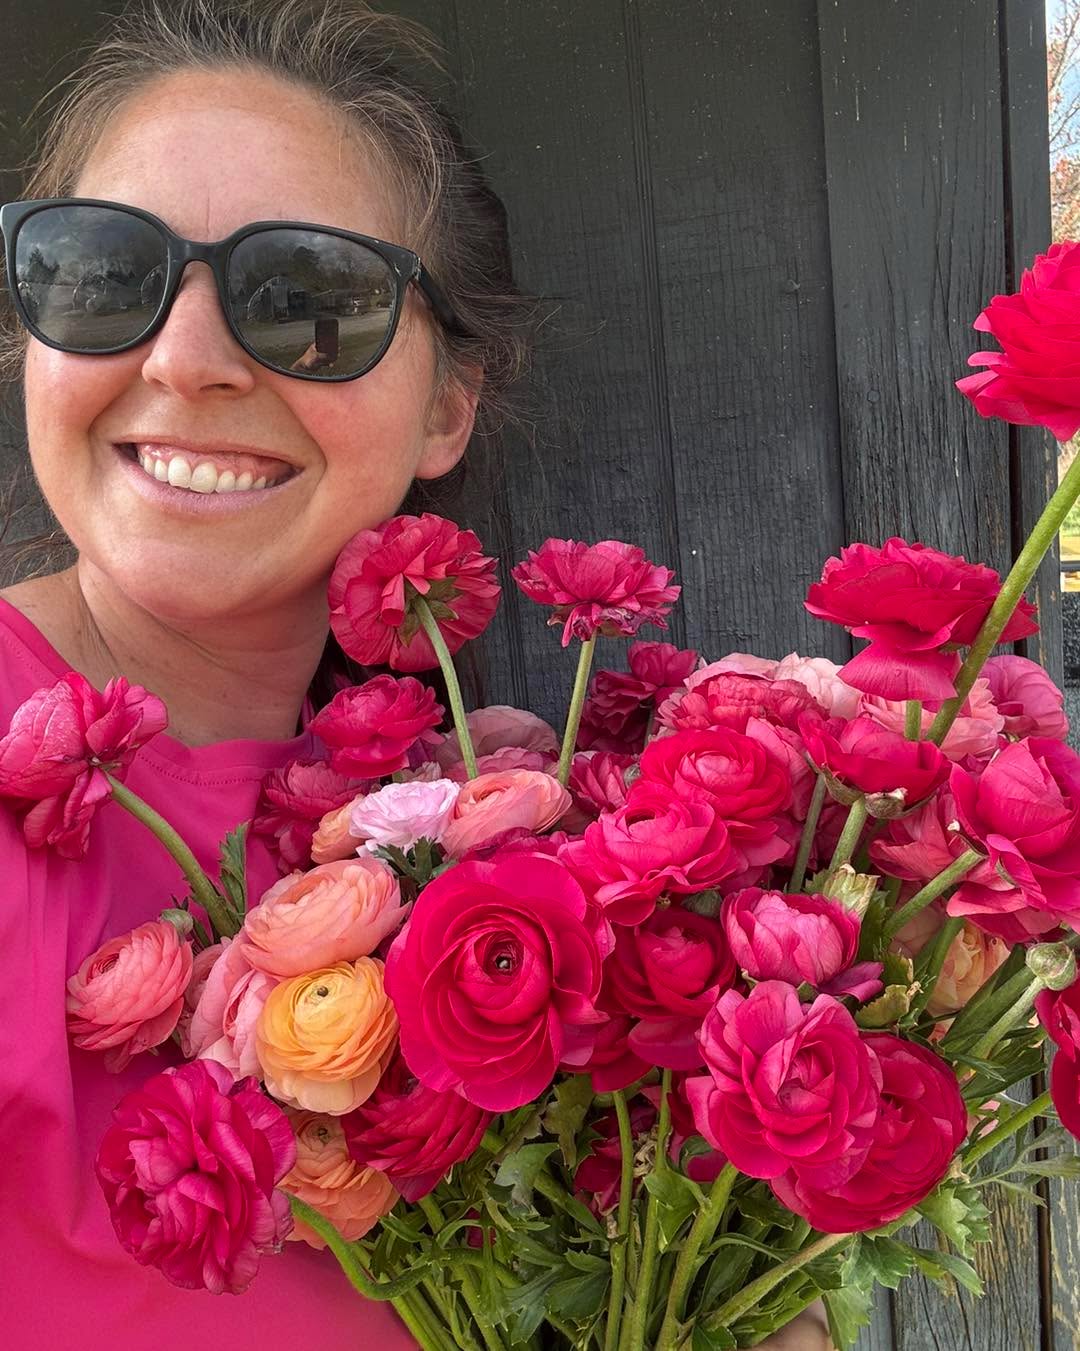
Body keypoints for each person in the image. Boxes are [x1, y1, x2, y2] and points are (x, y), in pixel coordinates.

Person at [0, 2, 833, 1347]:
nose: (185, 360)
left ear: (449, 402)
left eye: (308, 299)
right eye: (105, 272)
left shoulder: (481, 835)